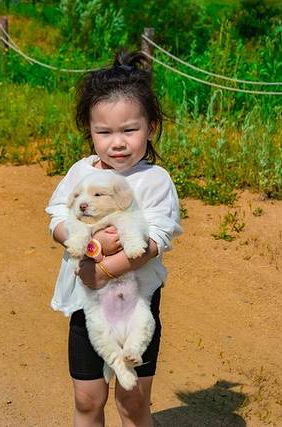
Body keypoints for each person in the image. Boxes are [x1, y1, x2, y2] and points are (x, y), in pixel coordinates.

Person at [46, 50, 182, 427]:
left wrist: (102, 271)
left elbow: (154, 242)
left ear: (151, 126)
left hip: (136, 303)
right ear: (89, 131)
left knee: (132, 403)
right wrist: (93, 247)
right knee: (87, 400)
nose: (117, 142)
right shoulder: (81, 172)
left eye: (129, 130)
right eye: (104, 132)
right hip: (86, 304)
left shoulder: (155, 181)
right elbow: (57, 218)